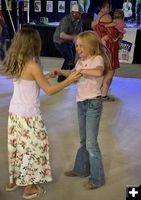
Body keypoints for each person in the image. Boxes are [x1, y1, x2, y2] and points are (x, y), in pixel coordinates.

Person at [0, 28, 81, 199]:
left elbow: (30, 81)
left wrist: (45, 76)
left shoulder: (17, 60)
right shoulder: (33, 64)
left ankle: (13, 180)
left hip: (15, 114)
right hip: (29, 116)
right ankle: (29, 187)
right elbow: (50, 91)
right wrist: (69, 81)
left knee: (17, 146)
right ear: (34, 44)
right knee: (33, 148)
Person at [53, 31, 111, 189]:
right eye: (76, 46)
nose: (77, 48)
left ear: (91, 46)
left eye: (80, 45)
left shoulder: (97, 59)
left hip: (93, 103)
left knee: (91, 143)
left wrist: (82, 71)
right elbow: (73, 75)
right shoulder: (79, 63)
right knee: (84, 140)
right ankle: (81, 169)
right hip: (81, 103)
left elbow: (98, 72)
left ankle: (97, 179)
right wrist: (60, 72)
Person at [91, 0, 121, 102]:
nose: (109, 8)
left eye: (109, 6)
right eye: (107, 6)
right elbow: (110, 33)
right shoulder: (106, 17)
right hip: (109, 48)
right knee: (110, 72)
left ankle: (100, 93)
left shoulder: (99, 17)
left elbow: (95, 27)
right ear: (102, 7)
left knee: (104, 71)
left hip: (105, 48)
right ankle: (103, 95)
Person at [53, 3, 83, 82]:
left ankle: (66, 76)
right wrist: (75, 37)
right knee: (69, 59)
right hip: (60, 42)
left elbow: (79, 37)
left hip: (69, 43)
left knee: (71, 60)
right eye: (79, 13)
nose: (80, 15)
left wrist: (77, 56)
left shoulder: (79, 21)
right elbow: (62, 35)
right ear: (74, 13)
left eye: (81, 13)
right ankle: (61, 78)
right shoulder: (66, 20)